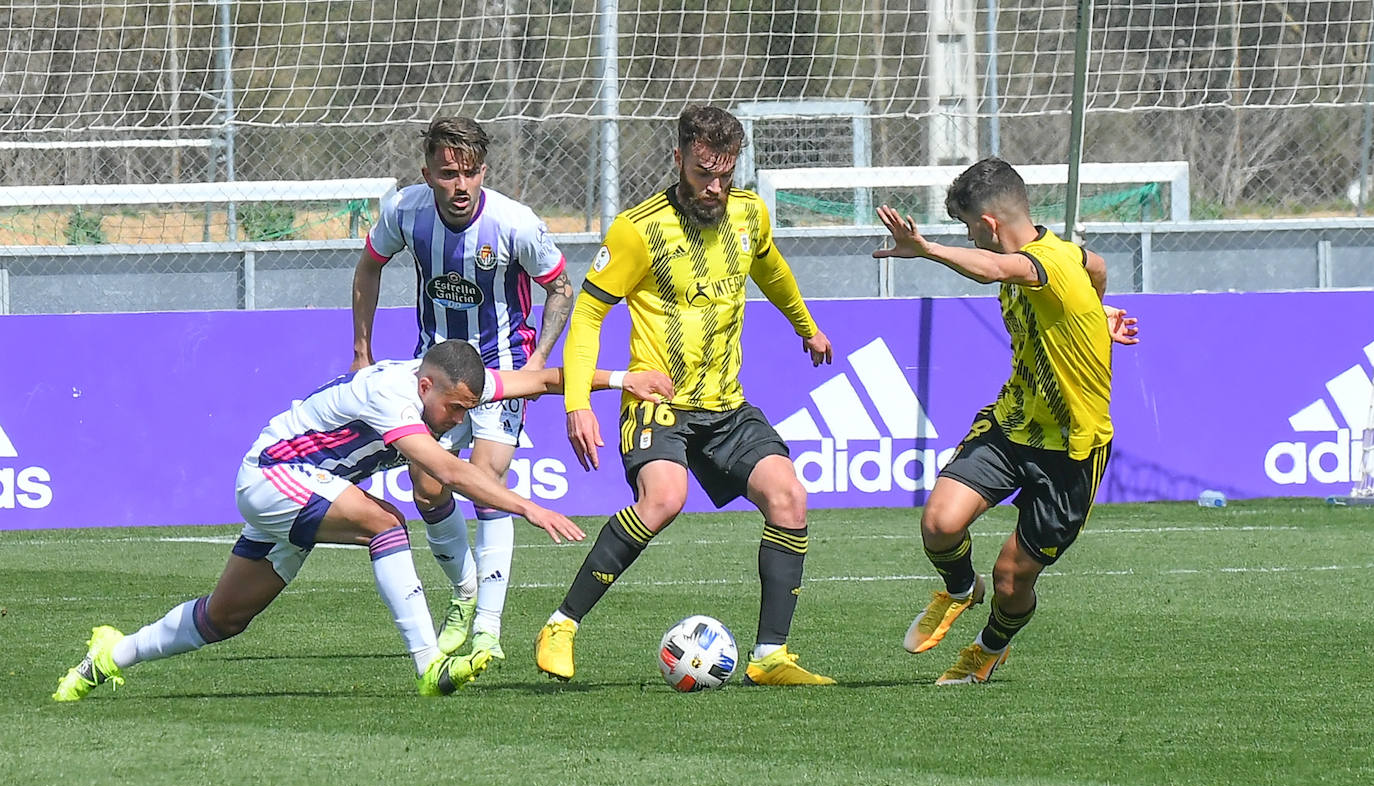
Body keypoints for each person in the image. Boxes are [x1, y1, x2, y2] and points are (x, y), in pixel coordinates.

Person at [52, 340, 673, 701]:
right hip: (273, 474)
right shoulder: (391, 394)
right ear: (426, 386)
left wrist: (623, 379)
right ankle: (430, 665)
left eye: (467, 409)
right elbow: (447, 470)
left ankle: (107, 658)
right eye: (454, 408)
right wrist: (529, 507)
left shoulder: (449, 387)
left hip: (306, 487)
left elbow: (542, 379)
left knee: (224, 618)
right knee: (386, 523)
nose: (458, 420)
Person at [533, 105, 838, 687]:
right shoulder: (637, 230)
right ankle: (561, 625)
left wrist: (807, 326)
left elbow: (771, 270)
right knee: (665, 498)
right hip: (659, 403)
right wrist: (577, 403)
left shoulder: (749, 214)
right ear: (678, 160)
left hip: (726, 405)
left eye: (725, 174)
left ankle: (770, 656)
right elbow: (589, 316)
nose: (715, 187)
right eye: (703, 174)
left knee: (789, 498)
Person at [871, 156, 1140, 685]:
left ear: (990, 225)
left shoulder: (1037, 263)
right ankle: (959, 589)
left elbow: (998, 269)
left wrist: (927, 249)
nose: (970, 238)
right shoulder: (1068, 254)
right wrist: (1094, 315)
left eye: (969, 228)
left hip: (1073, 449)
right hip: (1013, 423)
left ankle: (989, 648)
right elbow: (1098, 266)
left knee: (1011, 580)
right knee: (939, 524)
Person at [351, 116, 576, 663]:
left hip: (503, 364)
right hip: (437, 370)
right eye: (448, 173)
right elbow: (368, 267)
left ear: (484, 172)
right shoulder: (406, 212)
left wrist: (537, 363)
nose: (460, 185)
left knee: (485, 481)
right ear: (427, 172)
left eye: (470, 173)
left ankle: (488, 630)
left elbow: (561, 288)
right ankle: (465, 593)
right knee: (427, 489)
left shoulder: (514, 223)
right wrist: (362, 349)